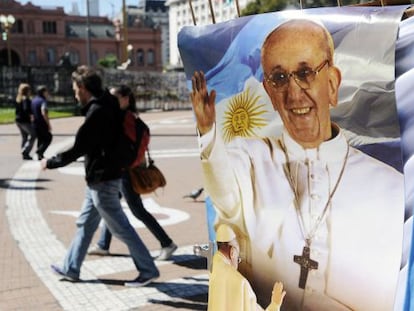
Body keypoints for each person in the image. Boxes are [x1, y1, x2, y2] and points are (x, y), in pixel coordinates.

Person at [191, 19, 407, 310]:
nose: (293, 94)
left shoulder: (392, 188)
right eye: (279, 79)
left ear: (332, 85)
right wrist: (207, 133)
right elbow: (224, 192)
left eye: (305, 73)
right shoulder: (251, 158)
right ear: (269, 93)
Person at [41, 66, 159, 287]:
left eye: (76, 89)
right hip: (102, 177)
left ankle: (147, 269)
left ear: (83, 88)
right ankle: (70, 267)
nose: (75, 93)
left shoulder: (97, 113)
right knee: (85, 224)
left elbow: (78, 147)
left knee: (120, 227)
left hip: (103, 179)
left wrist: (51, 162)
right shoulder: (109, 103)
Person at [88, 84, 177, 260]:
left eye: (115, 98)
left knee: (136, 209)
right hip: (124, 170)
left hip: (126, 171)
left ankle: (167, 243)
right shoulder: (127, 117)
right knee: (111, 206)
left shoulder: (125, 119)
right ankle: (103, 244)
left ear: (126, 99)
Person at [208, 223, 285, 311]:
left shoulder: (213, 268)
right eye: (238, 259)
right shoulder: (241, 283)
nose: (237, 264)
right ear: (232, 253)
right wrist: (275, 305)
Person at [15, 83, 36, 160]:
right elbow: (26, 109)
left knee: (24, 137)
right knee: (33, 135)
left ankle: (24, 153)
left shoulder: (18, 98)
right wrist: (31, 115)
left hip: (18, 120)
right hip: (24, 121)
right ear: (27, 91)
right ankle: (25, 151)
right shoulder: (26, 99)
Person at [31, 85, 52, 160]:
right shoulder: (43, 101)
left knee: (40, 139)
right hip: (42, 123)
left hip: (35, 123)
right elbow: (44, 112)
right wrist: (48, 124)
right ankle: (39, 151)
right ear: (43, 92)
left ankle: (40, 155)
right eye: (46, 92)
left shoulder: (34, 100)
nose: (47, 93)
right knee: (48, 138)